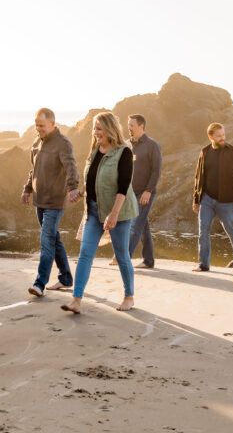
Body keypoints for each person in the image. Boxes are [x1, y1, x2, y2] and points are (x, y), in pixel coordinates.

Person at [62, 112, 138, 314]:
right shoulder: (95, 150)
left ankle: (129, 297)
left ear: (110, 129)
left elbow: (123, 188)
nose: (95, 133)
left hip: (119, 211)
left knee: (122, 255)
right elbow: (91, 178)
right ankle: (76, 300)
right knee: (85, 254)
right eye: (94, 129)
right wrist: (81, 192)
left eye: (99, 129)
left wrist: (113, 215)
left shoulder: (124, 152)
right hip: (94, 211)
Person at [22, 108, 81, 297]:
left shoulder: (63, 144)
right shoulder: (36, 142)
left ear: (53, 124)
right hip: (40, 200)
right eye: (36, 125)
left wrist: (72, 188)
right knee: (54, 239)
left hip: (55, 201)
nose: (38, 128)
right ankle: (65, 278)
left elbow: (71, 166)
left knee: (46, 240)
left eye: (42, 125)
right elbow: (34, 170)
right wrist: (27, 189)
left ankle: (40, 283)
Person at [192, 122, 233, 272]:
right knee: (203, 232)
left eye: (223, 135)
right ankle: (203, 264)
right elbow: (198, 177)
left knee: (231, 230)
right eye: (219, 136)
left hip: (227, 200)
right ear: (211, 136)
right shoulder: (205, 152)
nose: (222, 138)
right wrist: (196, 199)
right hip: (207, 199)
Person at [115, 114, 162, 269]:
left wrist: (148, 191)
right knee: (143, 226)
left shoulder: (152, 145)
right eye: (128, 125)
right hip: (129, 193)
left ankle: (123, 258)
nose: (129, 128)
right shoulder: (127, 144)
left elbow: (156, 170)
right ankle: (148, 260)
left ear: (141, 126)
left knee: (135, 225)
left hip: (145, 192)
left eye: (132, 125)